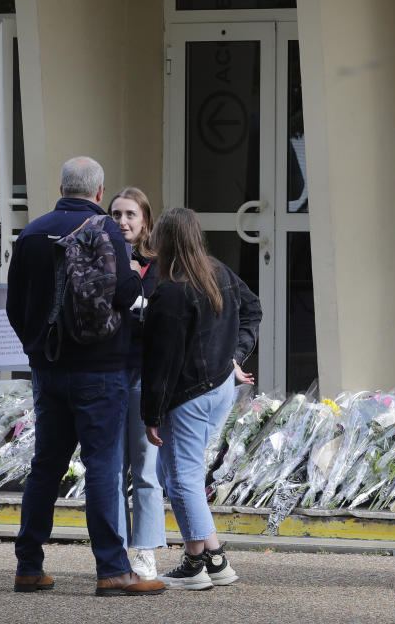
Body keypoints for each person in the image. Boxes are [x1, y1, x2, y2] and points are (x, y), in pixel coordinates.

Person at [6, 157, 163, 596]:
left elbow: (14, 306)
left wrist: (37, 350)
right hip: (103, 370)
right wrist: (131, 272)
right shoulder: (107, 231)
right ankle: (112, 569)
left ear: (61, 186)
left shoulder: (33, 232)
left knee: (45, 468)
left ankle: (29, 566)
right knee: (102, 468)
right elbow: (129, 295)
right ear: (98, 194)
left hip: (48, 371)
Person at [142, 207, 262, 590]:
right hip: (219, 388)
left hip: (189, 395)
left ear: (164, 239)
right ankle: (213, 558)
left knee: (181, 479)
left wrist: (151, 413)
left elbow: (162, 361)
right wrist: (234, 357)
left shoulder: (172, 290)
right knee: (177, 474)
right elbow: (252, 310)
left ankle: (196, 563)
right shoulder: (217, 271)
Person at [108, 187, 165, 580]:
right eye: (115, 215)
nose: (122, 222)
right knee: (110, 469)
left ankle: (144, 550)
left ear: (145, 220)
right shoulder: (100, 257)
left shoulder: (160, 266)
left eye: (130, 214)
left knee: (145, 468)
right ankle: (114, 552)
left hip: (144, 373)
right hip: (108, 372)